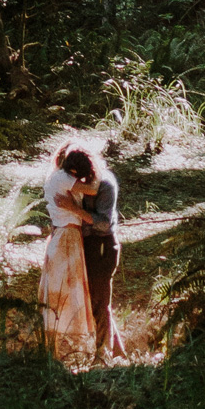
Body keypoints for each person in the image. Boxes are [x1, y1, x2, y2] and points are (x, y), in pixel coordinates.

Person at [39, 142, 97, 361]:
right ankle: (55, 349)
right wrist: (97, 172)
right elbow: (92, 189)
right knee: (63, 290)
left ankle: (54, 350)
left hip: (65, 235)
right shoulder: (63, 177)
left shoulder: (57, 177)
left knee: (60, 289)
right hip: (67, 237)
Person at [78, 151, 126, 361]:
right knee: (94, 301)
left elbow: (103, 223)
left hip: (103, 246)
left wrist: (76, 213)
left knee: (100, 301)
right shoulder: (78, 182)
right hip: (87, 245)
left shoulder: (105, 184)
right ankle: (118, 353)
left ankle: (103, 353)